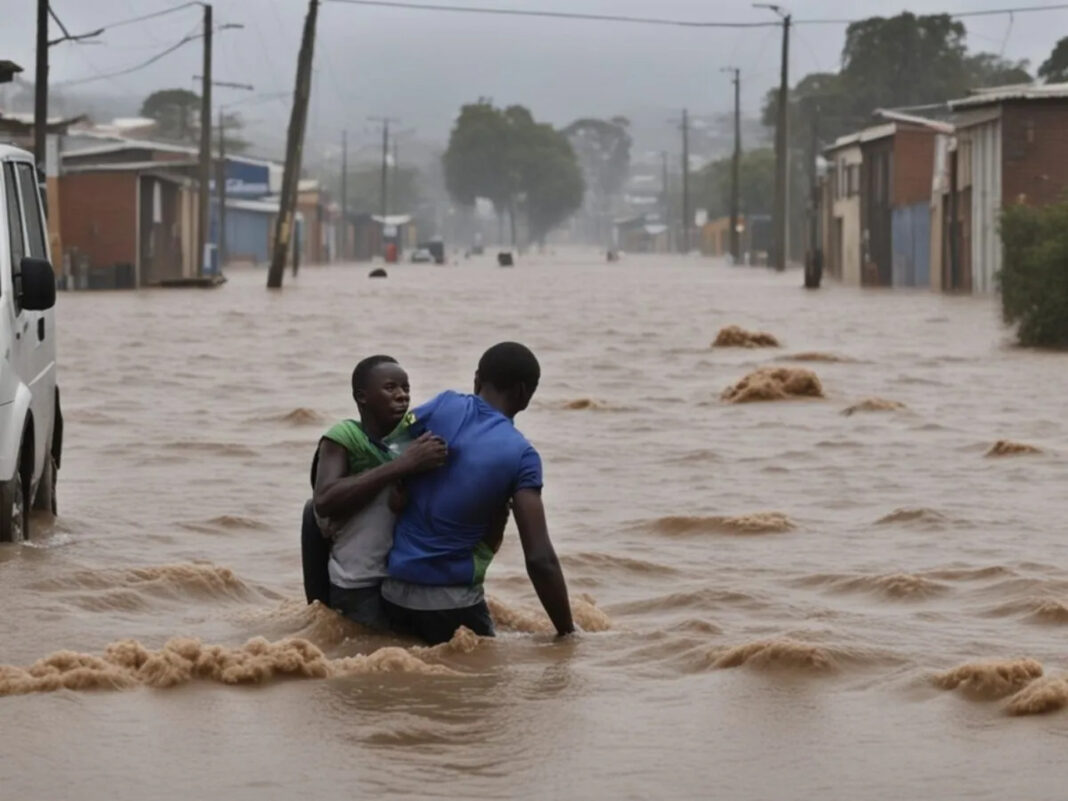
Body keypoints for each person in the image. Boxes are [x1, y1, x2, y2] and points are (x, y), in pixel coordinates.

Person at [381, 342, 575, 645]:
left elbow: (386, 444)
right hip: (454, 606)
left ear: (476, 380)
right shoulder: (522, 456)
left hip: (391, 593)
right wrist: (568, 633)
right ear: (525, 394)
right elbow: (540, 559)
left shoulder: (441, 405)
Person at [301, 355, 447, 630]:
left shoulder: (413, 439)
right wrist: (403, 466)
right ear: (362, 397)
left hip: (405, 580)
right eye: (391, 388)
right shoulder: (344, 437)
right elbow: (324, 500)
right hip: (358, 582)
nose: (402, 396)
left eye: (406, 388)